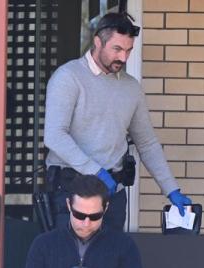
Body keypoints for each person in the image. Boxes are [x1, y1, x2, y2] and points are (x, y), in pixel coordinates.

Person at [43, 11, 192, 230]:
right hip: (71, 193)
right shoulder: (68, 77)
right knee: (70, 263)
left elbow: (147, 143)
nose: (123, 58)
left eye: (128, 50)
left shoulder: (131, 88)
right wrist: (96, 171)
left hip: (113, 197)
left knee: (111, 262)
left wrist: (171, 189)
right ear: (97, 42)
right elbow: (54, 136)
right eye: (117, 49)